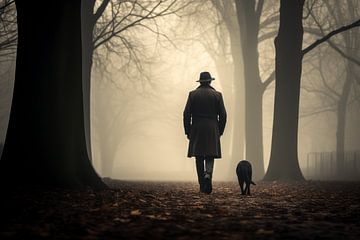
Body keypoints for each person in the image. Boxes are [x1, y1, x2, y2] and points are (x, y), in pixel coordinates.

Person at [183, 71, 227, 194]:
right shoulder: (217, 95)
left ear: (200, 82)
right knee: (210, 155)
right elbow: (223, 115)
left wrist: (188, 131)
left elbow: (186, 114)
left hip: (197, 127)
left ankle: (202, 184)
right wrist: (220, 130)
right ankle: (208, 175)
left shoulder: (192, 95)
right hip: (212, 127)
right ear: (210, 81)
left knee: (198, 156)